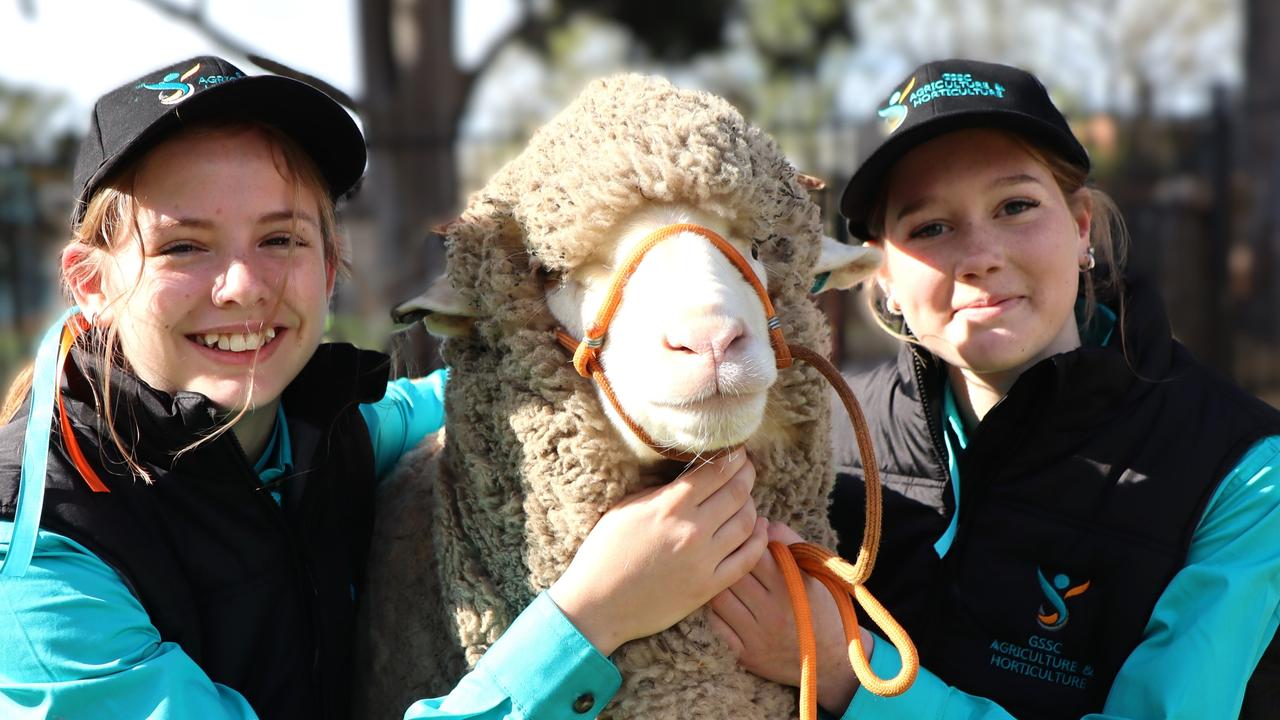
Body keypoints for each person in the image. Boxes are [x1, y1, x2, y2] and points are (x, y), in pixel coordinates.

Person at [0, 56, 769, 719]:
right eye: (183, 246)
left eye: (280, 239)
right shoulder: (40, 564)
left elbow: (454, 397)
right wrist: (591, 619)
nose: (242, 286)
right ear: (89, 284)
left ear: (329, 268)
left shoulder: (325, 427)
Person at [708, 58, 1280, 719]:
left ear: (1081, 226)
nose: (980, 254)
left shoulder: (1246, 473)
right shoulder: (816, 435)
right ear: (882, 273)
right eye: (930, 227)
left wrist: (845, 670)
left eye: (1015, 206)